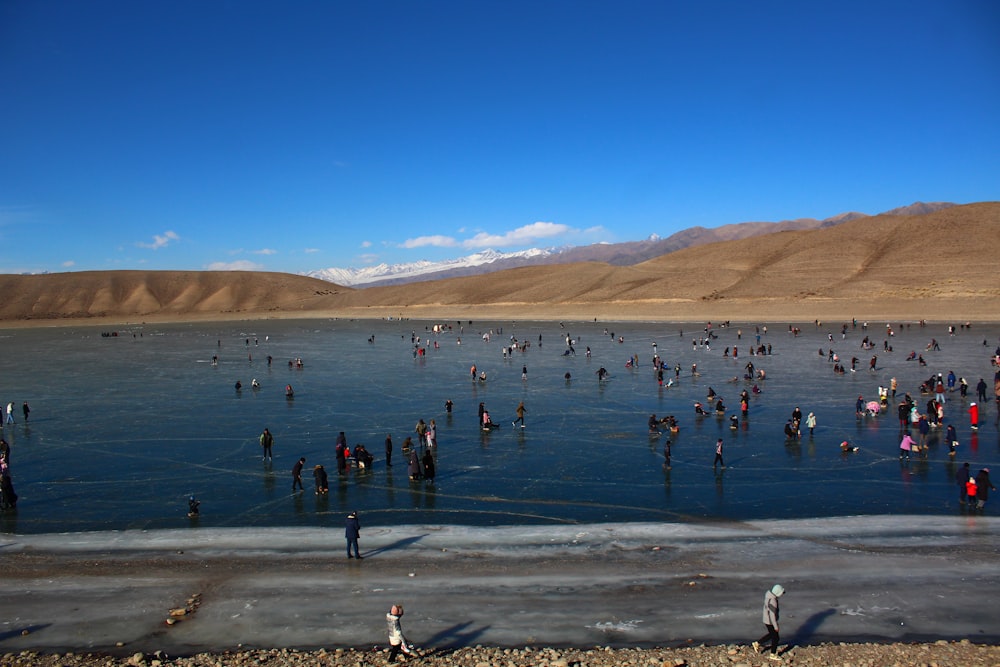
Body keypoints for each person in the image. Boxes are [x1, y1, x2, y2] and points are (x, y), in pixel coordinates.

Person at [752, 584, 785, 660]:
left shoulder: (768, 597)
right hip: (770, 621)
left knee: (772, 634)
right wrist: (776, 626)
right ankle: (773, 654)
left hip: (766, 620)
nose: (782, 595)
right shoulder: (773, 601)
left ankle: (757, 643)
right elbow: (772, 615)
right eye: (781, 593)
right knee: (776, 638)